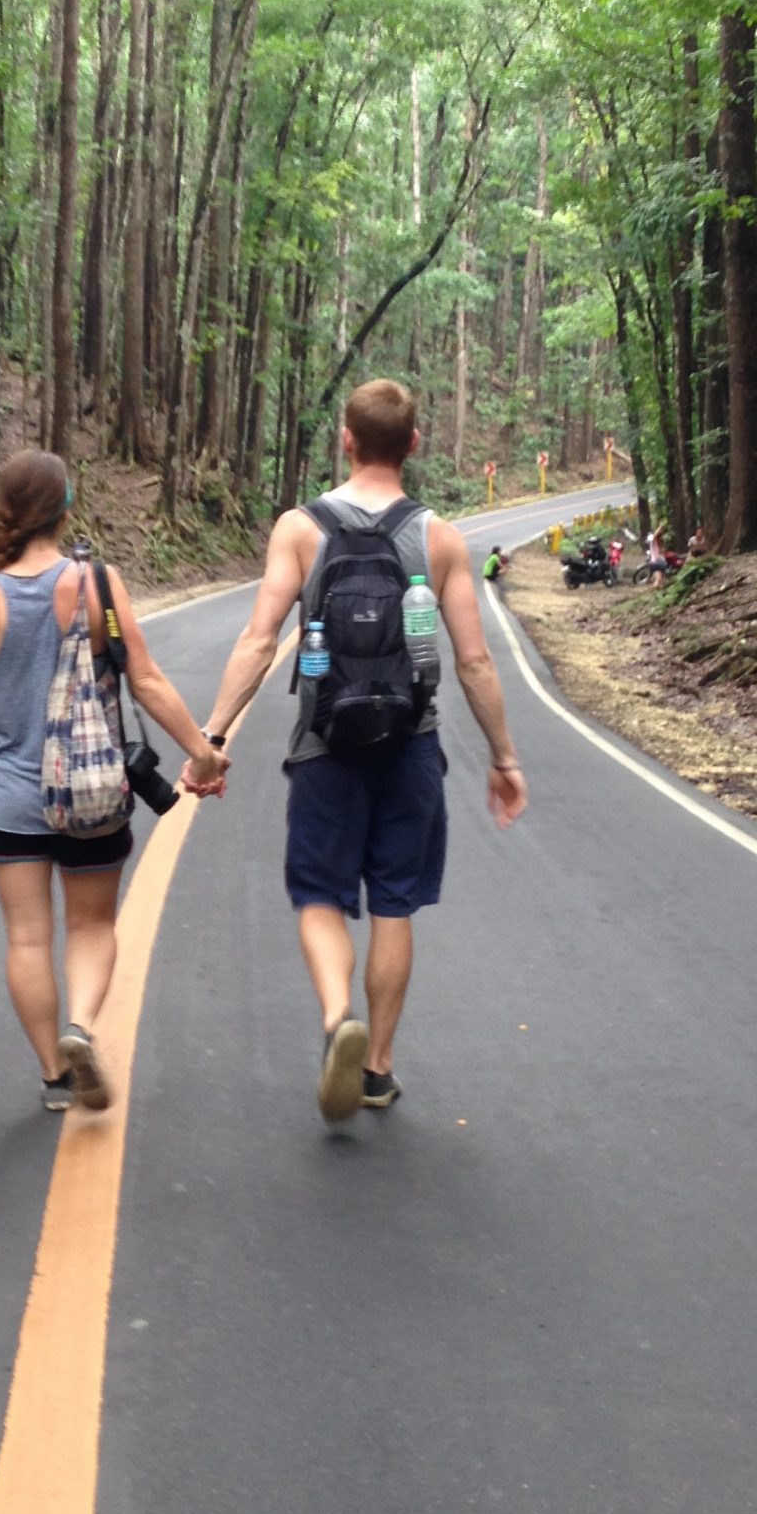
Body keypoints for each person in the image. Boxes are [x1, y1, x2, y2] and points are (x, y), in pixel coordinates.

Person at [183, 380, 527, 1124]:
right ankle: (376, 1068)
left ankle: (339, 1013)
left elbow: (257, 640)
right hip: (411, 745)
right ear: (413, 444)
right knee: (395, 904)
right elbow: (473, 663)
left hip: (323, 745)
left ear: (345, 439)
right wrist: (504, 759)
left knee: (319, 897)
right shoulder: (439, 539)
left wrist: (210, 740)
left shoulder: (300, 529)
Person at [0, 448, 227, 1113]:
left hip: (9, 799)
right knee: (91, 926)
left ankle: (55, 1077)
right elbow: (145, 680)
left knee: (27, 937)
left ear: (4, 509)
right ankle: (81, 1028)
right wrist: (201, 752)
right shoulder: (98, 585)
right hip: (92, 790)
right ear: (65, 509)